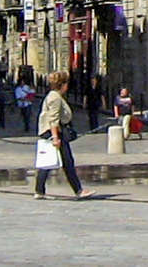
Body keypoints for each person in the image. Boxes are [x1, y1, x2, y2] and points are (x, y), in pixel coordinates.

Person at [34, 70, 87, 200]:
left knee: (48, 162)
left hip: (52, 131)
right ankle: (78, 190)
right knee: (67, 162)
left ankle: (39, 190)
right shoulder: (55, 97)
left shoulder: (53, 96)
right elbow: (53, 118)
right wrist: (55, 137)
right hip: (56, 131)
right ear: (63, 84)